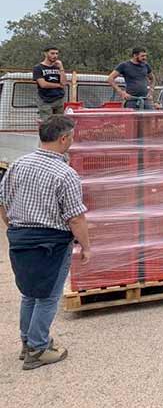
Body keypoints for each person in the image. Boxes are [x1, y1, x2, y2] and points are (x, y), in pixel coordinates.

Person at [0, 116, 92, 370]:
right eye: (71, 138)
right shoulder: (65, 173)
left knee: (30, 292)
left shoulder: (18, 164)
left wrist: (14, 228)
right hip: (51, 243)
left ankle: (27, 342)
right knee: (49, 296)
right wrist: (86, 246)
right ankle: (38, 349)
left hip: (19, 238)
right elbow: (75, 218)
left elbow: (2, 201)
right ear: (64, 139)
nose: (72, 142)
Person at [32, 46, 67, 122]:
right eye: (52, 53)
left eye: (57, 54)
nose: (55, 56)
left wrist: (61, 68)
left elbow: (63, 82)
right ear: (45, 54)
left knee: (59, 122)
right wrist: (58, 85)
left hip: (59, 98)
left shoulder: (58, 67)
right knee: (48, 122)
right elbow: (43, 84)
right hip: (45, 99)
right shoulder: (38, 68)